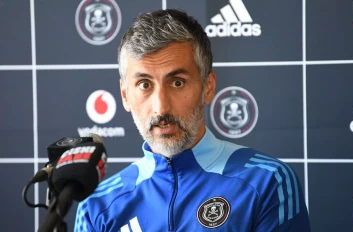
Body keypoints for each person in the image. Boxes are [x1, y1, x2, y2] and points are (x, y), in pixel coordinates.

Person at [74, 9, 311, 231]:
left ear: (208, 87)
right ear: (125, 95)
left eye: (177, 82)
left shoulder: (267, 182)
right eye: (144, 85)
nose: (161, 107)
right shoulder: (97, 206)